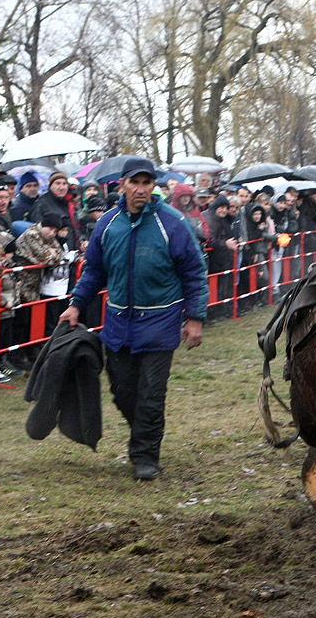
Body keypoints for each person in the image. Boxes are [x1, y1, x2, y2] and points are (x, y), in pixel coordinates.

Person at [59, 158, 208, 482]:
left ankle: (145, 455)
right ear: (122, 184)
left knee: (152, 393)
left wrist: (195, 318)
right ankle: (143, 432)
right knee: (123, 390)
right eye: (135, 183)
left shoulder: (172, 223)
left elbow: (195, 271)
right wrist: (76, 304)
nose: (141, 189)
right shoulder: (108, 224)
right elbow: (95, 270)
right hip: (118, 322)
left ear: (153, 186)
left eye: (147, 183)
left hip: (161, 321)